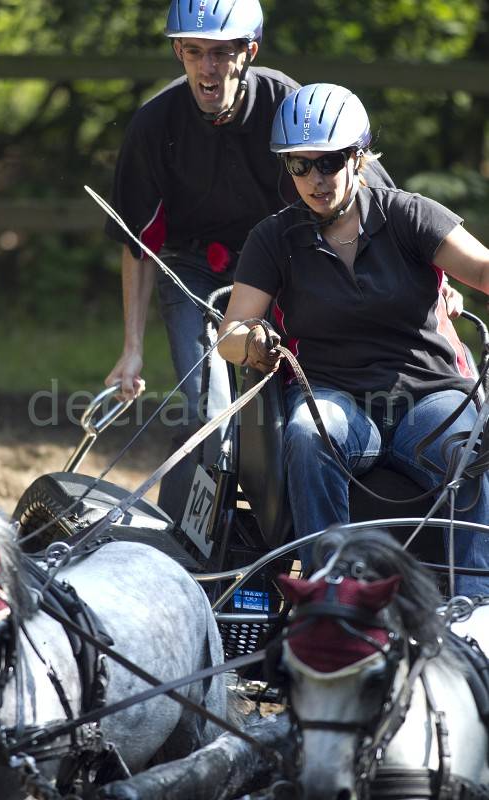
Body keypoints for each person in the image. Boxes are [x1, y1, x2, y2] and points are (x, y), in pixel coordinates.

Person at [104, 0, 461, 522]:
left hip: (286, 262)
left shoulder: (290, 105)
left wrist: (436, 277)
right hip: (196, 268)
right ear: (177, 51)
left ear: (248, 51)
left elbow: (381, 202)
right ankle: (193, 537)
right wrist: (132, 349)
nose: (207, 68)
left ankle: (280, 519)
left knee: (279, 409)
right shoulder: (154, 124)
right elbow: (139, 241)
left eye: (221, 53)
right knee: (211, 410)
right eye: (193, 51)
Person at [218, 82, 489, 597]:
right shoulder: (273, 238)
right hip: (333, 396)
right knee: (307, 431)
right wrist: (253, 342)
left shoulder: (409, 214)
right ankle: (330, 596)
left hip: (428, 396)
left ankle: (475, 605)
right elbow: (230, 334)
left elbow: (481, 268)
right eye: (300, 165)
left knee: (466, 447)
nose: (316, 178)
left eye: (330, 162)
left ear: (359, 158)